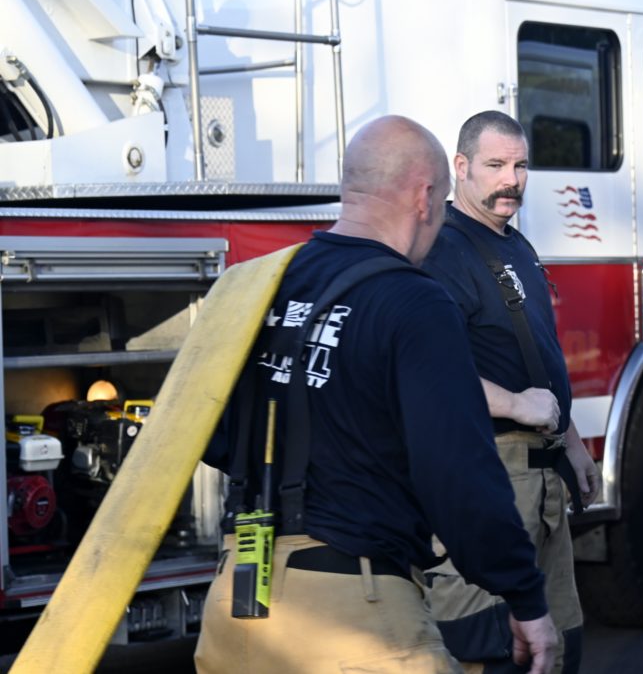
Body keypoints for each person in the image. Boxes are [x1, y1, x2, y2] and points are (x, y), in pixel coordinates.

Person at [193, 115, 558, 674]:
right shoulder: (413, 301)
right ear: (425, 197)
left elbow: (210, 435)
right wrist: (524, 595)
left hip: (236, 604)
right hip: (353, 614)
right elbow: (459, 475)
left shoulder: (259, 282)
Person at [421, 110, 601, 674]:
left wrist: (572, 441)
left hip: (543, 479)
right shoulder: (443, 250)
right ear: (461, 167)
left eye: (521, 166)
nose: (511, 180)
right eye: (496, 165)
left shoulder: (514, 244)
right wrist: (518, 406)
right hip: (488, 477)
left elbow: (534, 357)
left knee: (558, 647)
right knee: (494, 648)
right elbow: (430, 372)